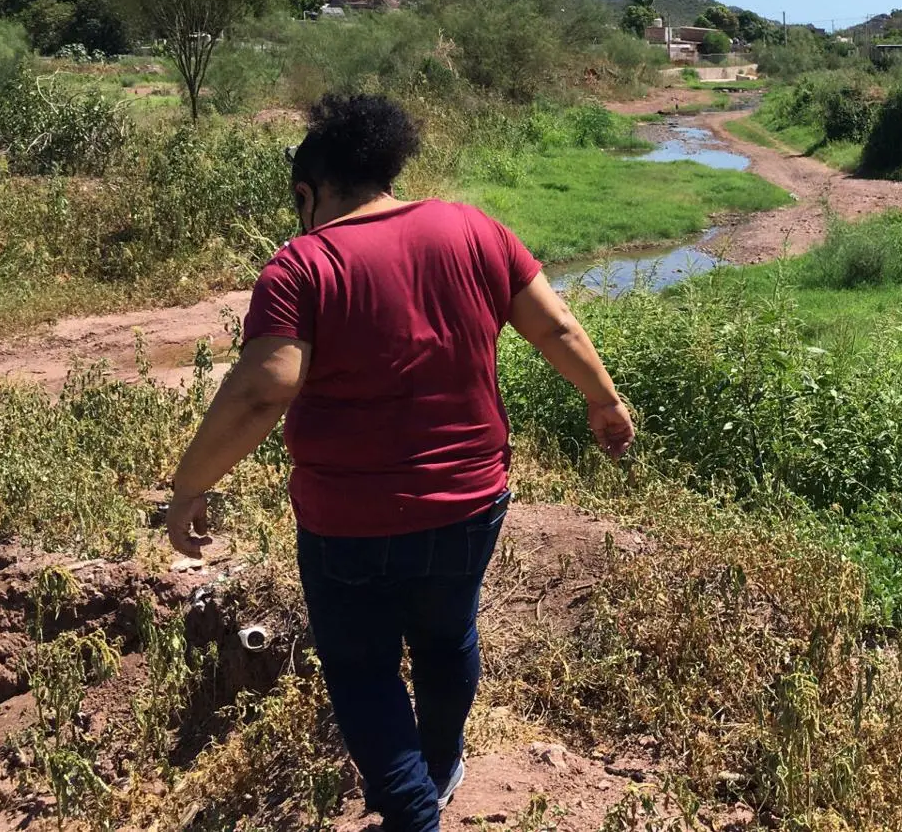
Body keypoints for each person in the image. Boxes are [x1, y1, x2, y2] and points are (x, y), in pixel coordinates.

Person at [166, 94, 634, 832]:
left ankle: (414, 811)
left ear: (306, 192)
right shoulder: (473, 229)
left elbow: (264, 387)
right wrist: (604, 401)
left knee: (362, 670)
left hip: (347, 523)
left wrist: (190, 484)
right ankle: (441, 764)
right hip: (472, 502)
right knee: (448, 639)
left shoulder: (303, 262)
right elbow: (556, 324)